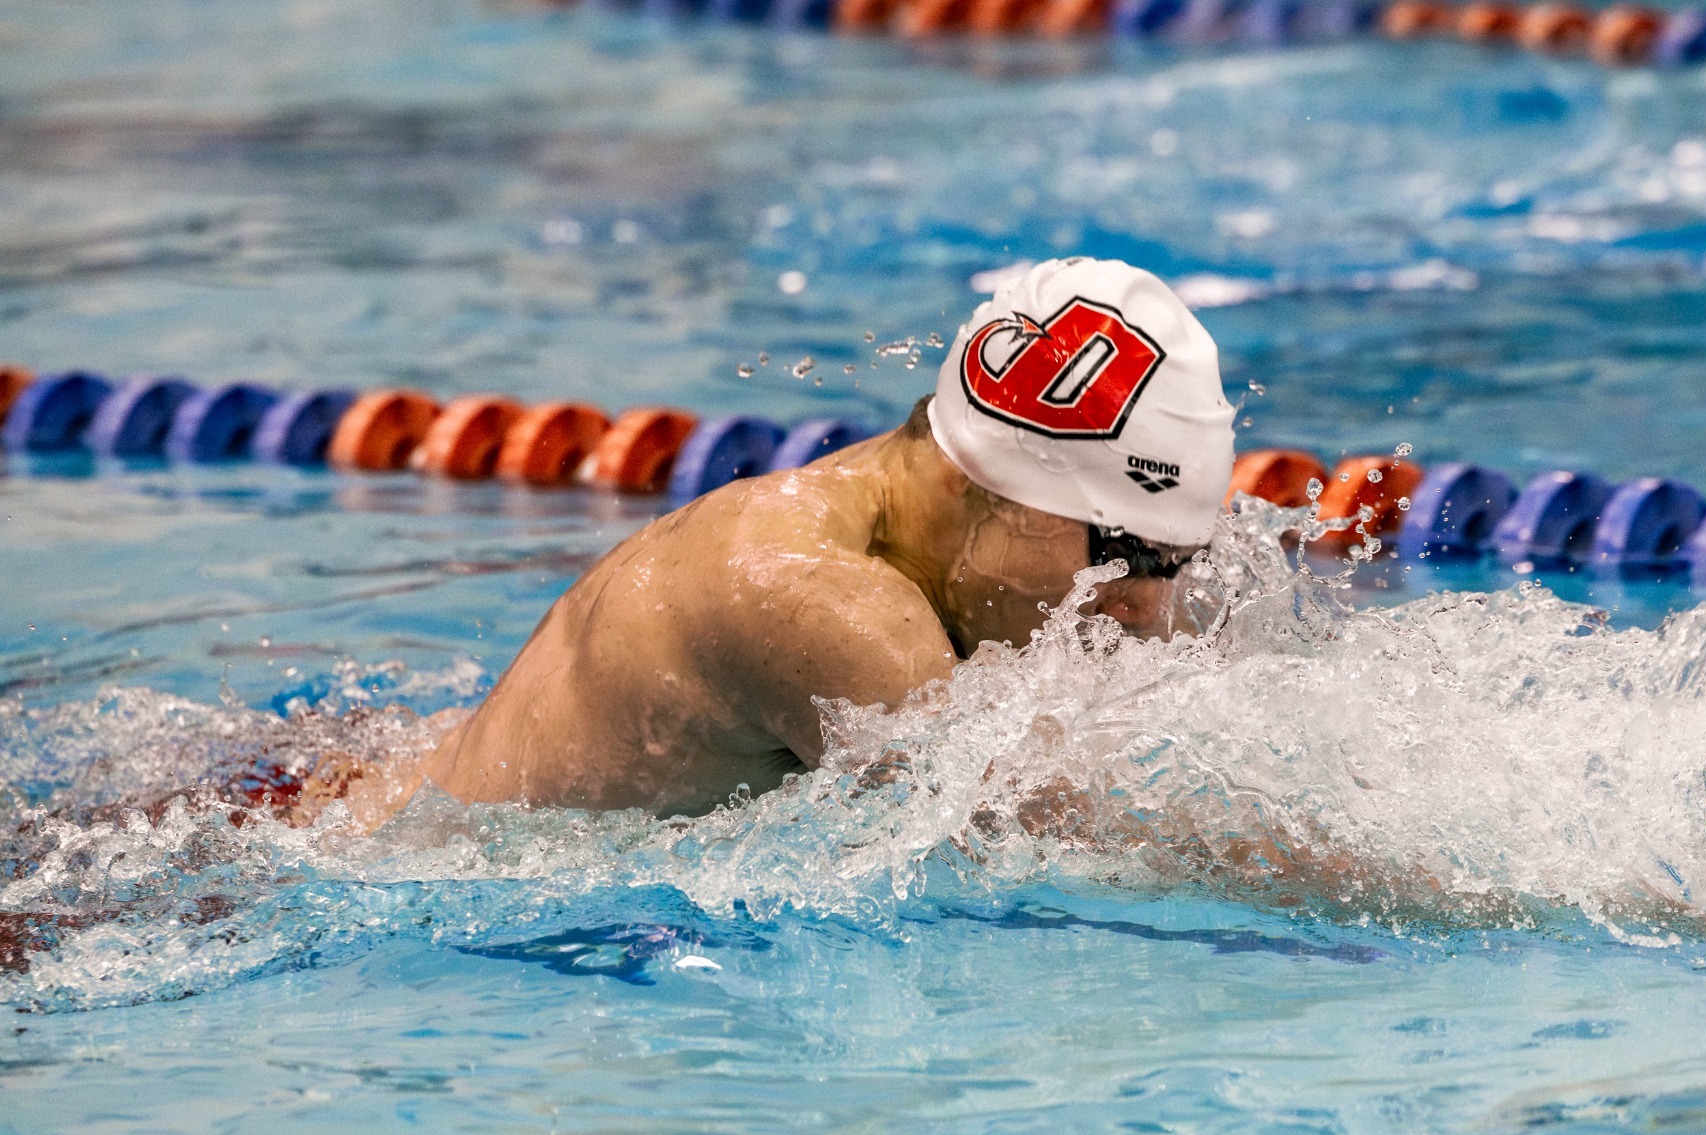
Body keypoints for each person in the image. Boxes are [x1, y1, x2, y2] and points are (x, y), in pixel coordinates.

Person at [362, 258, 1237, 823]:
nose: (1146, 612)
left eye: (1177, 563)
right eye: (1122, 554)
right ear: (980, 484)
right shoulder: (807, 594)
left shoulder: (910, 525)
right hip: (378, 885)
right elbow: (1101, 850)